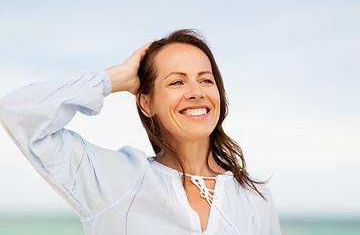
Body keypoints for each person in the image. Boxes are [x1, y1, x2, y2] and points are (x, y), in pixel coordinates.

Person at [0, 29, 281, 235]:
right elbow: (17, 111)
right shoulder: (113, 181)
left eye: (206, 80)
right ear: (146, 103)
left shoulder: (256, 198)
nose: (196, 93)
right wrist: (113, 78)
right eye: (176, 83)